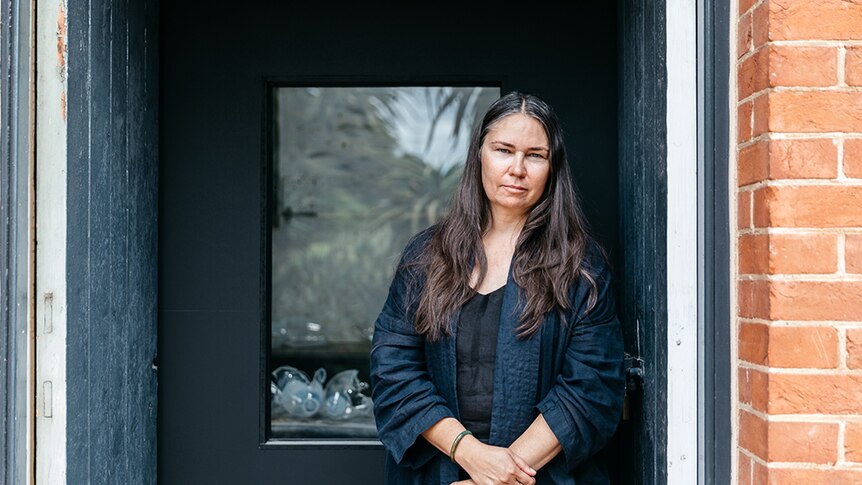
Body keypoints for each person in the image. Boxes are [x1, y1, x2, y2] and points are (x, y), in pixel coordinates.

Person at [370, 91, 625, 484]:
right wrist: (471, 456)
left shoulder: (581, 267)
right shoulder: (426, 256)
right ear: (480, 156)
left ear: (552, 167)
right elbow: (394, 371)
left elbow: (590, 388)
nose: (517, 168)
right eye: (504, 150)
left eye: (535, 155)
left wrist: (497, 478)